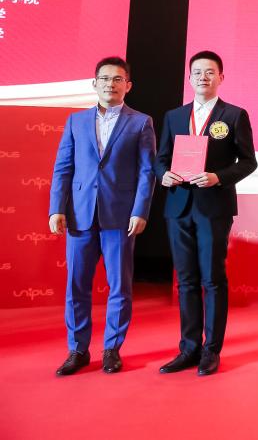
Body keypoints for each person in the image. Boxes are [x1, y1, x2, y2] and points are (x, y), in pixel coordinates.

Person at [48, 56, 156, 376]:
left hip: (120, 217)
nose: (111, 84)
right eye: (105, 79)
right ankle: (78, 350)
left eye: (118, 79)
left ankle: (112, 349)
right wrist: (57, 208)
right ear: (95, 83)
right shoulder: (75, 121)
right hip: (80, 215)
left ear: (128, 85)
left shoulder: (141, 122)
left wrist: (140, 210)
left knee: (119, 286)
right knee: (76, 286)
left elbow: (147, 172)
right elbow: (63, 168)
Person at [156, 50, 257, 376]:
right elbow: (161, 158)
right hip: (178, 206)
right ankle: (189, 348)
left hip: (214, 206)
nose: (203, 77)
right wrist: (163, 174)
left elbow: (249, 162)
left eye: (210, 72)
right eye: (197, 72)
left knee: (212, 278)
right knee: (186, 280)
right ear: (190, 78)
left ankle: (211, 350)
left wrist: (218, 177)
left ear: (221, 78)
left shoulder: (234, 115)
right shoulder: (174, 116)